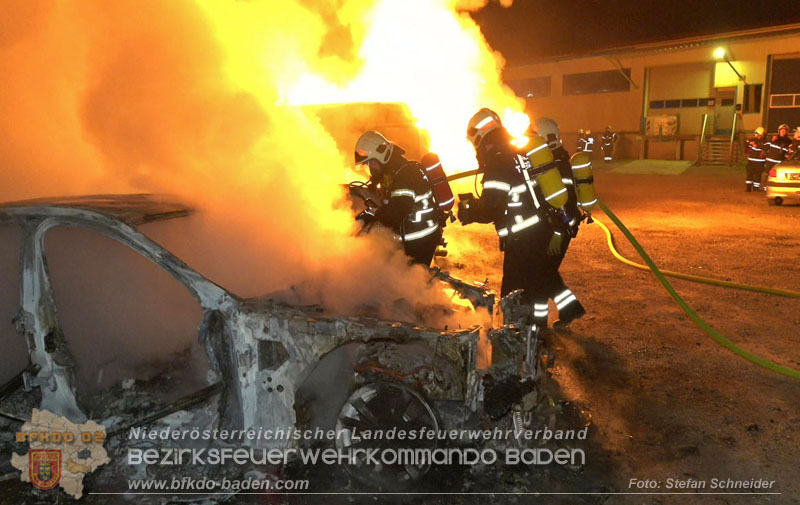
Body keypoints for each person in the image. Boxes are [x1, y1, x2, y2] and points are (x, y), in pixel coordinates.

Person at [458, 109, 583, 332]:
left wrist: (469, 211)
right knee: (538, 283)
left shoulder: (497, 163)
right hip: (538, 230)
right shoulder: (518, 152)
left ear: (480, 138)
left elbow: (491, 207)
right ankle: (537, 329)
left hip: (524, 237)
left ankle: (519, 338)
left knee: (514, 293)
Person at [354, 130, 443, 266]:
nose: (370, 168)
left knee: (410, 281)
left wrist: (372, 215)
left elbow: (397, 211)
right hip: (414, 235)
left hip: (419, 240)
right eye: (368, 164)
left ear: (381, 155)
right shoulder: (394, 171)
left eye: (371, 162)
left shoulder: (405, 176)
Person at [531, 117, 585, 328]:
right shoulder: (554, 160)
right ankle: (571, 310)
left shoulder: (558, 166)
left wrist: (558, 233)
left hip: (559, 230)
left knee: (541, 276)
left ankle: (538, 326)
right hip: (557, 228)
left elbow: (566, 205)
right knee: (546, 273)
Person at [763, 124, 792, 191]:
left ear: (787, 132)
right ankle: (766, 189)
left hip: (779, 163)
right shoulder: (774, 138)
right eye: (781, 130)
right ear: (779, 131)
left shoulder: (788, 141)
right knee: (767, 175)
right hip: (770, 162)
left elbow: (789, 152)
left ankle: (775, 189)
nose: (783, 132)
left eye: (784, 131)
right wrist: (771, 141)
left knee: (777, 176)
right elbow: (765, 146)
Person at [745, 126, 767, 192]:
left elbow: (766, 148)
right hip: (751, 161)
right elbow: (747, 149)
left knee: (758, 175)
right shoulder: (752, 140)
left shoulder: (765, 142)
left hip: (760, 162)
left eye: (757, 134)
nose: (756, 135)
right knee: (749, 175)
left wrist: (757, 145)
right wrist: (748, 143)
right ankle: (748, 188)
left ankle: (756, 188)